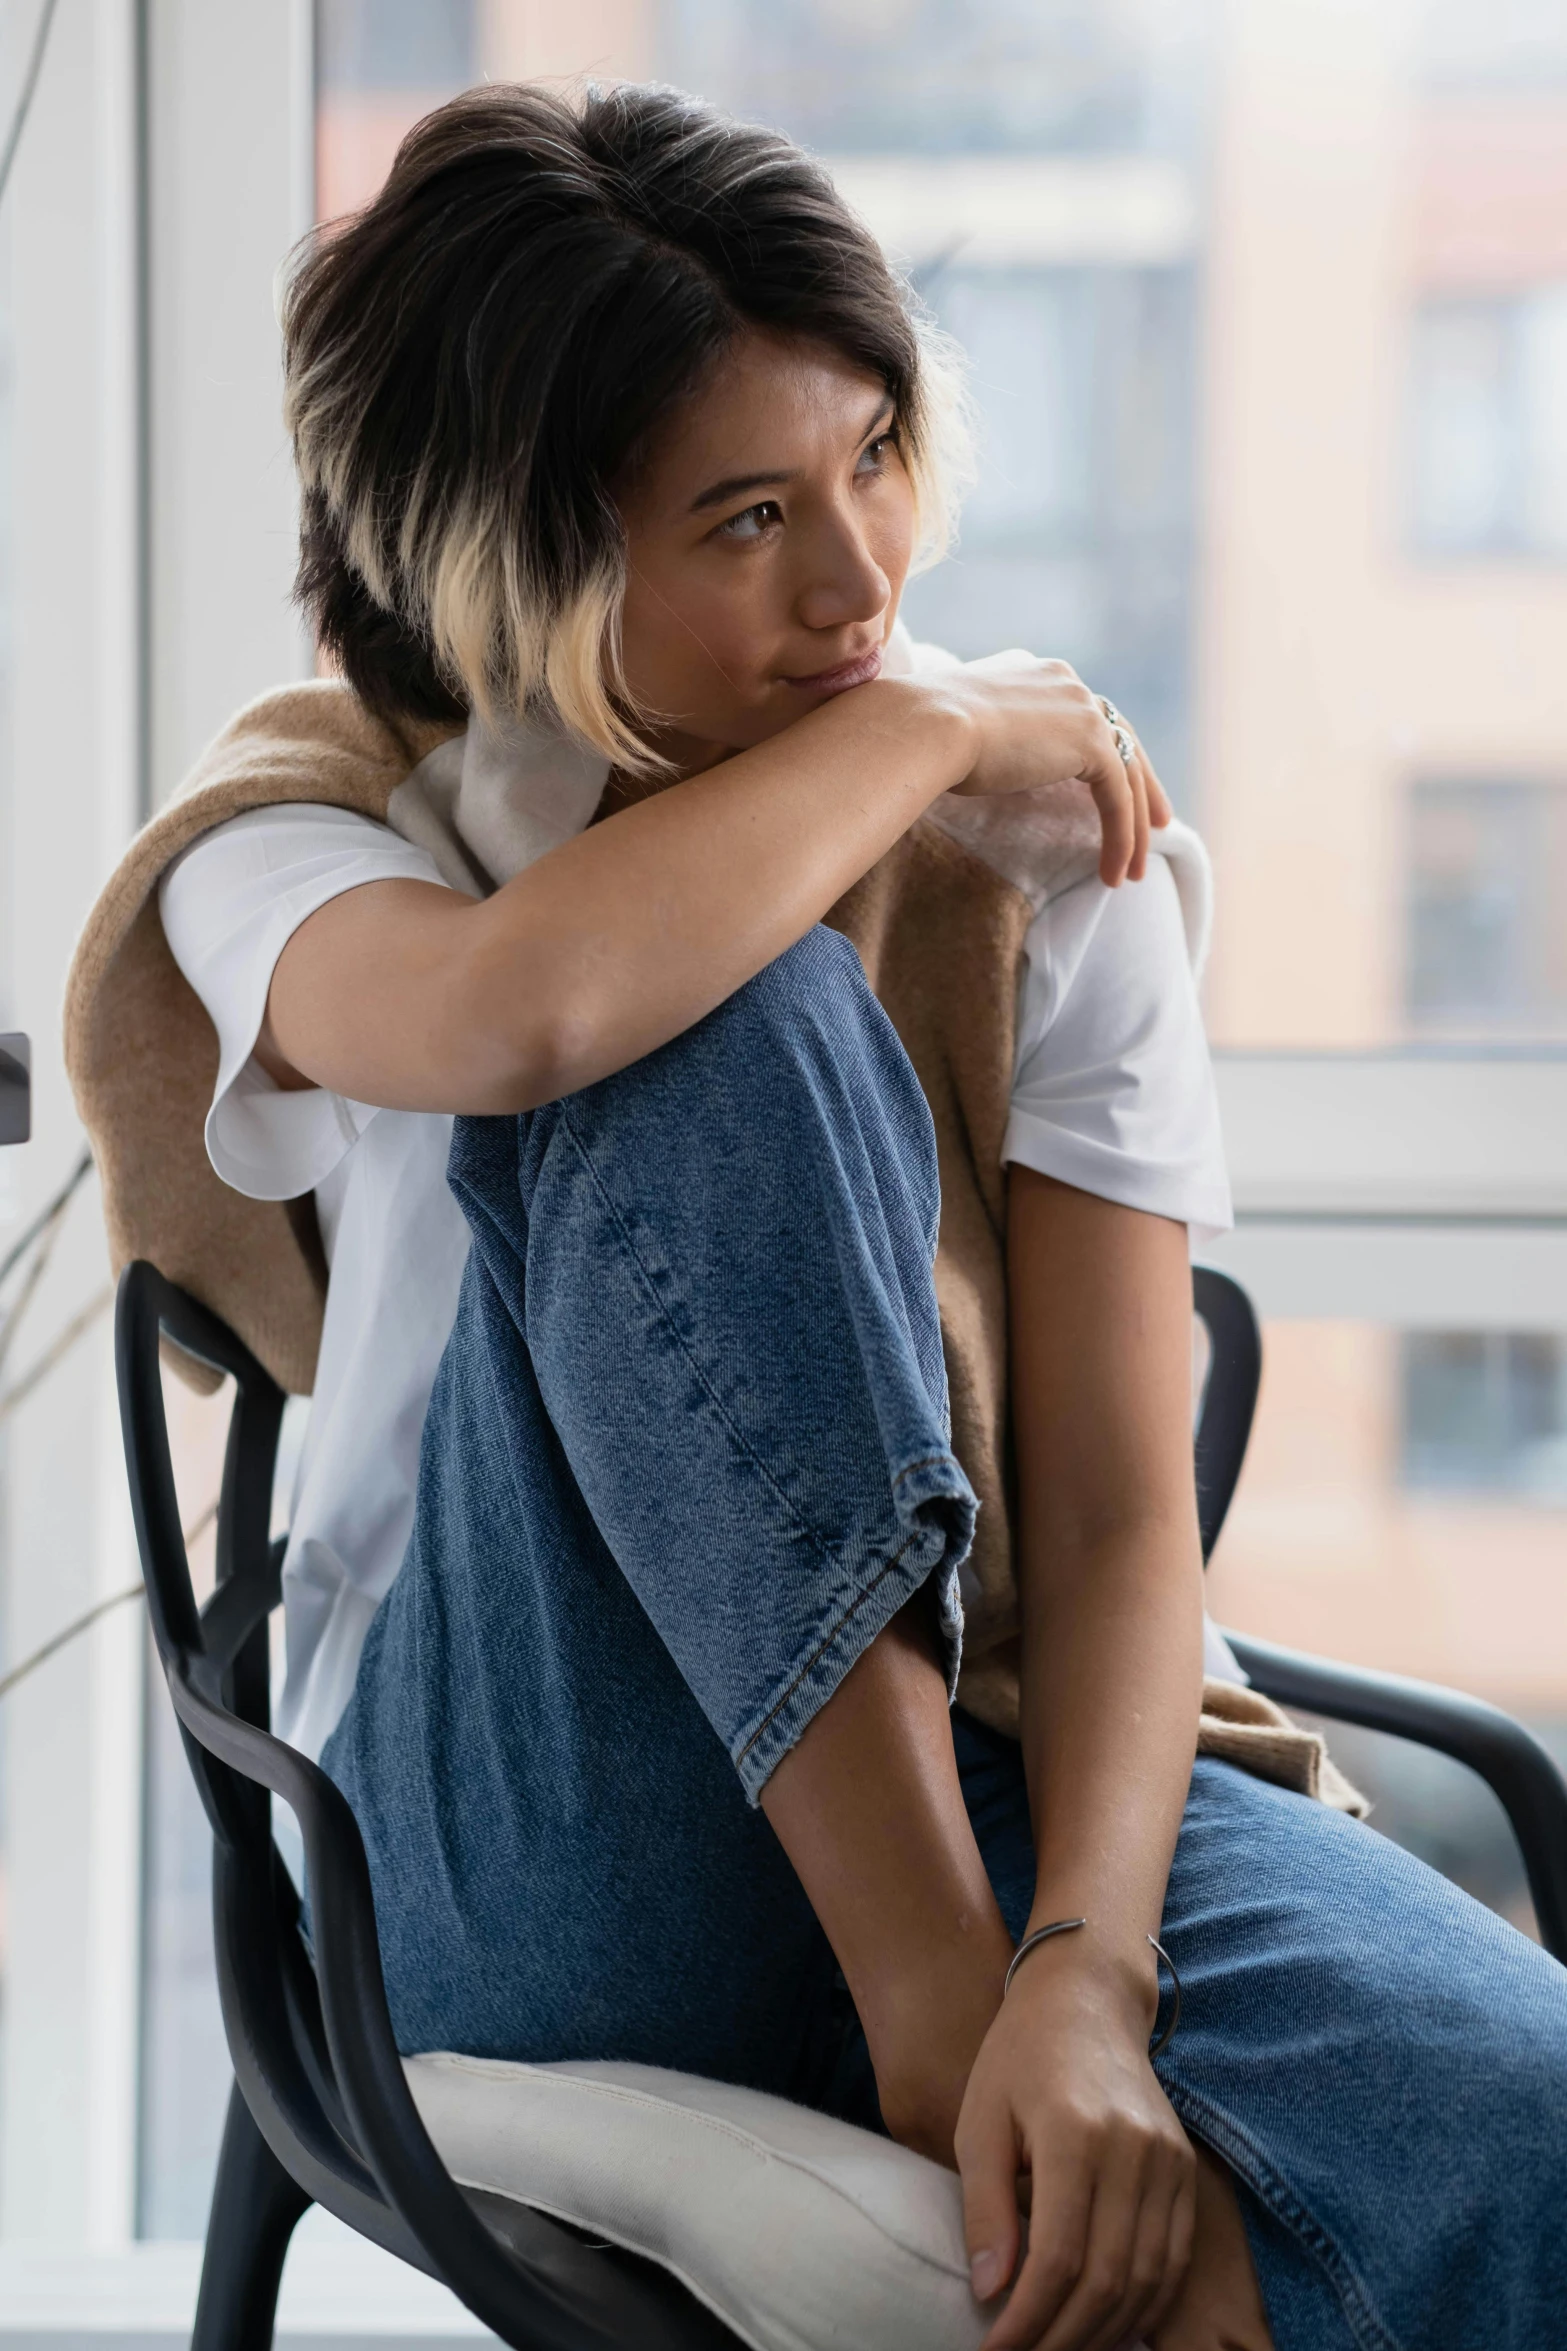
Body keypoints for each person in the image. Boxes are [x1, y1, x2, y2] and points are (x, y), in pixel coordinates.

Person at [73, 82, 1566, 2351]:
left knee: (1527, 2126)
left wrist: (1099, 1969)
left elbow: (1106, 1534)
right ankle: (928, 2016)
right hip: (536, 1818)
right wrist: (930, 732)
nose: (863, 579)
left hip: (986, 1730)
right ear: (515, 562)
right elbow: (533, 1005)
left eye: (877, 454)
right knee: (705, 999)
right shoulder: (305, 829)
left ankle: (1005, 2022)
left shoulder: (1056, 875)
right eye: (747, 515)